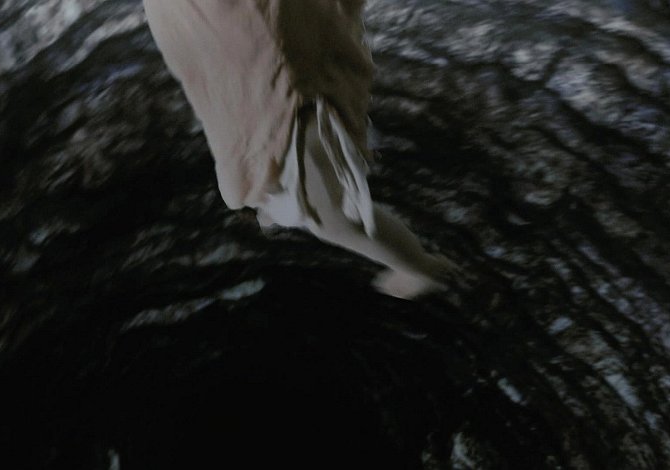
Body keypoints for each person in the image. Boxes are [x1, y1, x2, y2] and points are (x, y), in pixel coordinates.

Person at [143, 0, 459, 299]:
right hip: (264, 81)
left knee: (334, 220)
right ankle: (281, 189)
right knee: (312, 195)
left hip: (285, 95)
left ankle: (422, 269)